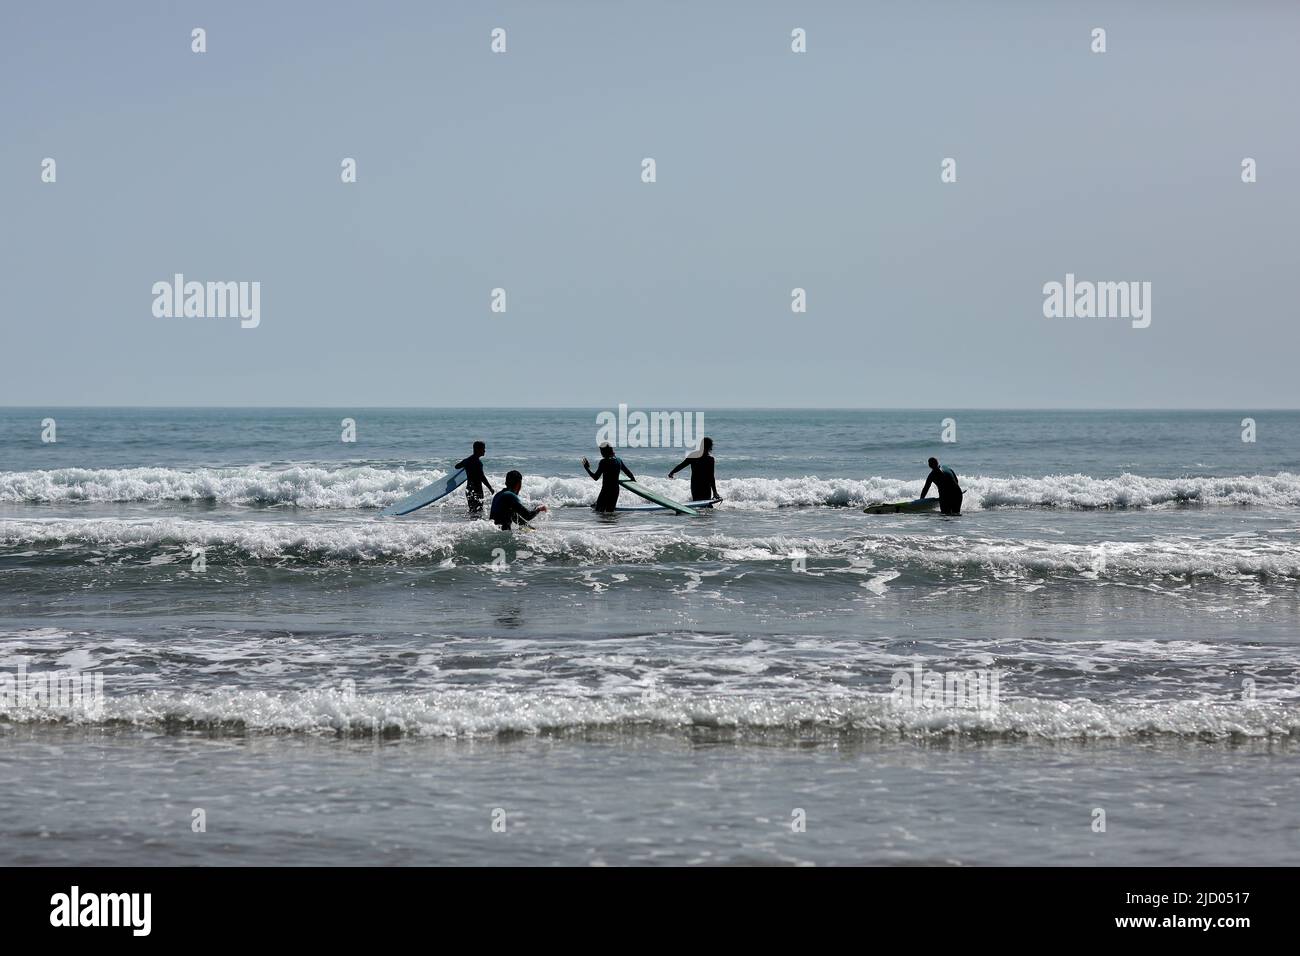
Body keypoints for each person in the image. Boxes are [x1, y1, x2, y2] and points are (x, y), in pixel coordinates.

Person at [582, 442, 635, 512]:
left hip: (606, 491)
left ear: (605, 452)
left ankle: (596, 506)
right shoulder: (618, 460)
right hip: (615, 491)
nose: (601, 453)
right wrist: (633, 480)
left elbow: (595, 477)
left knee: (599, 512)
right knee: (610, 512)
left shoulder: (603, 462)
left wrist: (587, 468)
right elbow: (628, 473)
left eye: (601, 451)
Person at [668, 436, 720, 503]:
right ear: (710, 447)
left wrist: (672, 472)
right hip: (705, 485)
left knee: (697, 503)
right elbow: (711, 477)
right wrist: (715, 492)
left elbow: (682, 465)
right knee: (706, 503)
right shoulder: (710, 459)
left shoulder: (694, 456)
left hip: (696, 484)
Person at [455, 441, 494, 512]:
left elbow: (457, 466)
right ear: (478, 450)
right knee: (479, 510)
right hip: (477, 489)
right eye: (483, 449)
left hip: (469, 489)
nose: (484, 451)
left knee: (472, 510)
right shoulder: (478, 463)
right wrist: (490, 488)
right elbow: (482, 477)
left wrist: (466, 467)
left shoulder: (467, 461)